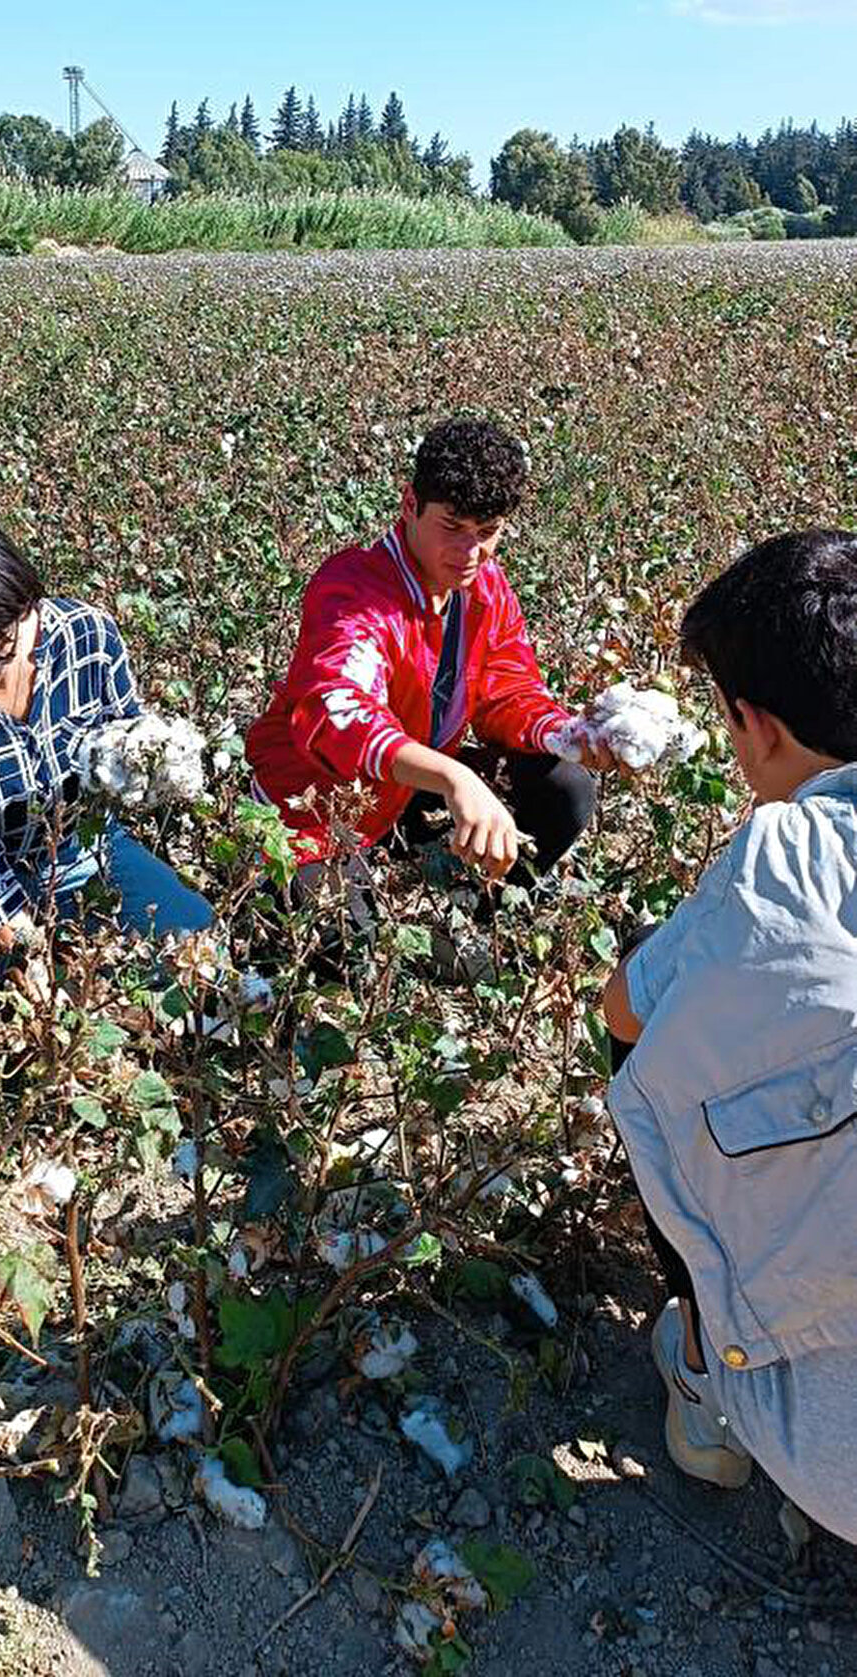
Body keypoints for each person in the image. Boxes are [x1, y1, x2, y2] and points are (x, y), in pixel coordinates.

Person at [603, 528, 857, 1543]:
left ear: (755, 726)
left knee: (653, 1034)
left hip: (840, 1457)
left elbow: (626, 1013)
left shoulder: (791, 859)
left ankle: (709, 1378)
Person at [0, 513, 212, 1108]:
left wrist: (149, 764)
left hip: (84, 850)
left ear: (30, 605)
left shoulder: (89, 636)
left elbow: (122, 736)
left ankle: (94, 980)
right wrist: (18, 936)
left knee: (199, 942)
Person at [246, 418, 619, 956]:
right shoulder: (355, 591)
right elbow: (338, 711)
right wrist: (455, 777)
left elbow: (507, 690)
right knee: (346, 948)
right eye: (452, 526)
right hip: (315, 799)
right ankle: (388, 930)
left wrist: (567, 734)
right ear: (409, 505)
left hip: (412, 790)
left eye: (487, 531)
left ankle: (473, 919)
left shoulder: (485, 588)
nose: (470, 551)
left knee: (566, 783)